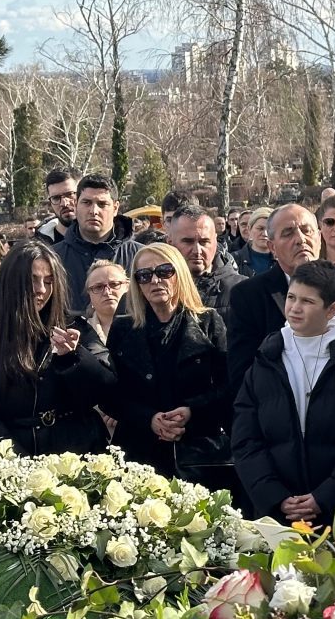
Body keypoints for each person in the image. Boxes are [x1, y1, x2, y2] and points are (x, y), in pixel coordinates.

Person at [233, 259, 335, 528]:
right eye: (291, 297)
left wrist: (325, 496)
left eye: (307, 301)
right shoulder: (267, 358)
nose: (295, 308)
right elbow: (246, 439)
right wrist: (275, 496)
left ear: (332, 309)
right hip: (279, 513)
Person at [0, 241, 109, 455]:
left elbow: (106, 390)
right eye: (32, 280)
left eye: (49, 281)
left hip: (80, 451)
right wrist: (15, 460)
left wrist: (75, 358)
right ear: (11, 282)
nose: (41, 290)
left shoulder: (75, 328)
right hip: (13, 458)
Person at [100, 243, 230, 484]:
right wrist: (149, 419)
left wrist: (193, 411)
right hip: (139, 455)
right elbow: (112, 394)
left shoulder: (209, 321)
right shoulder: (122, 328)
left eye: (164, 271)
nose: (155, 280)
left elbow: (228, 387)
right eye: (144, 275)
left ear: (179, 273)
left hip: (199, 454)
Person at [227, 204, 321, 394]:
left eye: (307, 231)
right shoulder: (247, 296)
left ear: (319, 238)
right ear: (272, 247)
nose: (301, 239)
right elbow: (242, 374)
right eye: (288, 233)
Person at [53, 174, 141, 314]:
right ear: (75, 205)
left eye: (102, 204)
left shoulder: (140, 257)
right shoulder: (53, 258)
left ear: (115, 208)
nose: (93, 211)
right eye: (86, 202)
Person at [167, 205, 245, 321]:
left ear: (215, 242)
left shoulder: (243, 289)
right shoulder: (157, 288)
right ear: (170, 243)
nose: (197, 250)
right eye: (188, 242)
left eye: (204, 242)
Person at [78, 259, 128, 343]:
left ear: (128, 287)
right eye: (98, 287)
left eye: (114, 284)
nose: (107, 292)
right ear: (89, 294)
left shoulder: (146, 325)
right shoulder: (79, 335)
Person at [36, 168, 80, 244]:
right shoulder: (41, 245)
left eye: (69, 194)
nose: (64, 203)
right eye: (56, 198)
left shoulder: (101, 240)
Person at [240, 208, 275, 277]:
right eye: (260, 229)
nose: (265, 234)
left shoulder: (284, 259)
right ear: (249, 229)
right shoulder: (235, 260)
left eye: (269, 229)